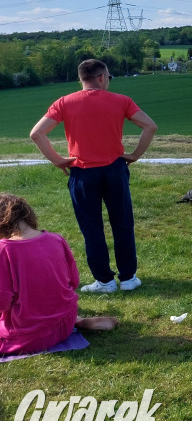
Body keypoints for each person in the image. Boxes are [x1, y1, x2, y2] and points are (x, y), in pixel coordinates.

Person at [29, 59, 158, 293]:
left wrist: (58, 160)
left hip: (82, 173)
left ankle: (105, 282)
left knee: (92, 228)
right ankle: (128, 278)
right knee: (123, 224)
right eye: (108, 76)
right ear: (101, 77)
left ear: (82, 79)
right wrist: (135, 155)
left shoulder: (64, 103)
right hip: (114, 171)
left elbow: (36, 133)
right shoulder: (122, 101)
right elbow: (150, 126)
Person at [0, 193, 117, 356]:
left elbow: (2, 302)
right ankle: (78, 321)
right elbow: (74, 281)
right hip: (64, 323)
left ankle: (72, 322)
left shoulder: (4, 250)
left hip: (28, 334)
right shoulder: (56, 239)